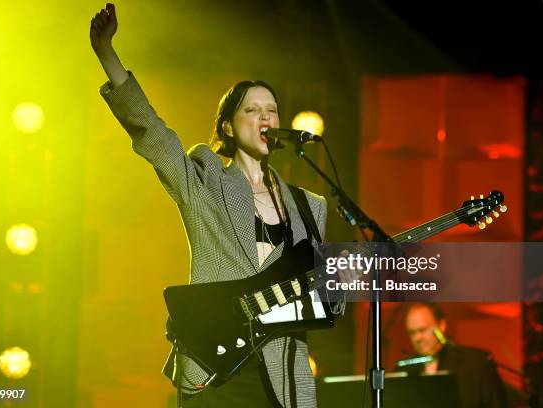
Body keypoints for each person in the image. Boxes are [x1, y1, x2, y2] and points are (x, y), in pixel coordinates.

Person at [90, 4, 353, 407]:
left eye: (272, 110)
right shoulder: (206, 181)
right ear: (228, 126)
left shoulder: (309, 205)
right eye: (253, 109)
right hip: (215, 371)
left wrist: (341, 285)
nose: (266, 117)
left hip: (283, 380)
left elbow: (326, 303)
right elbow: (155, 136)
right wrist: (108, 54)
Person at [402, 303, 508, 408]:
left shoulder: (475, 363)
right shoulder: (404, 369)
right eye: (412, 333)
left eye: (422, 330)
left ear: (441, 326)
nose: (417, 338)